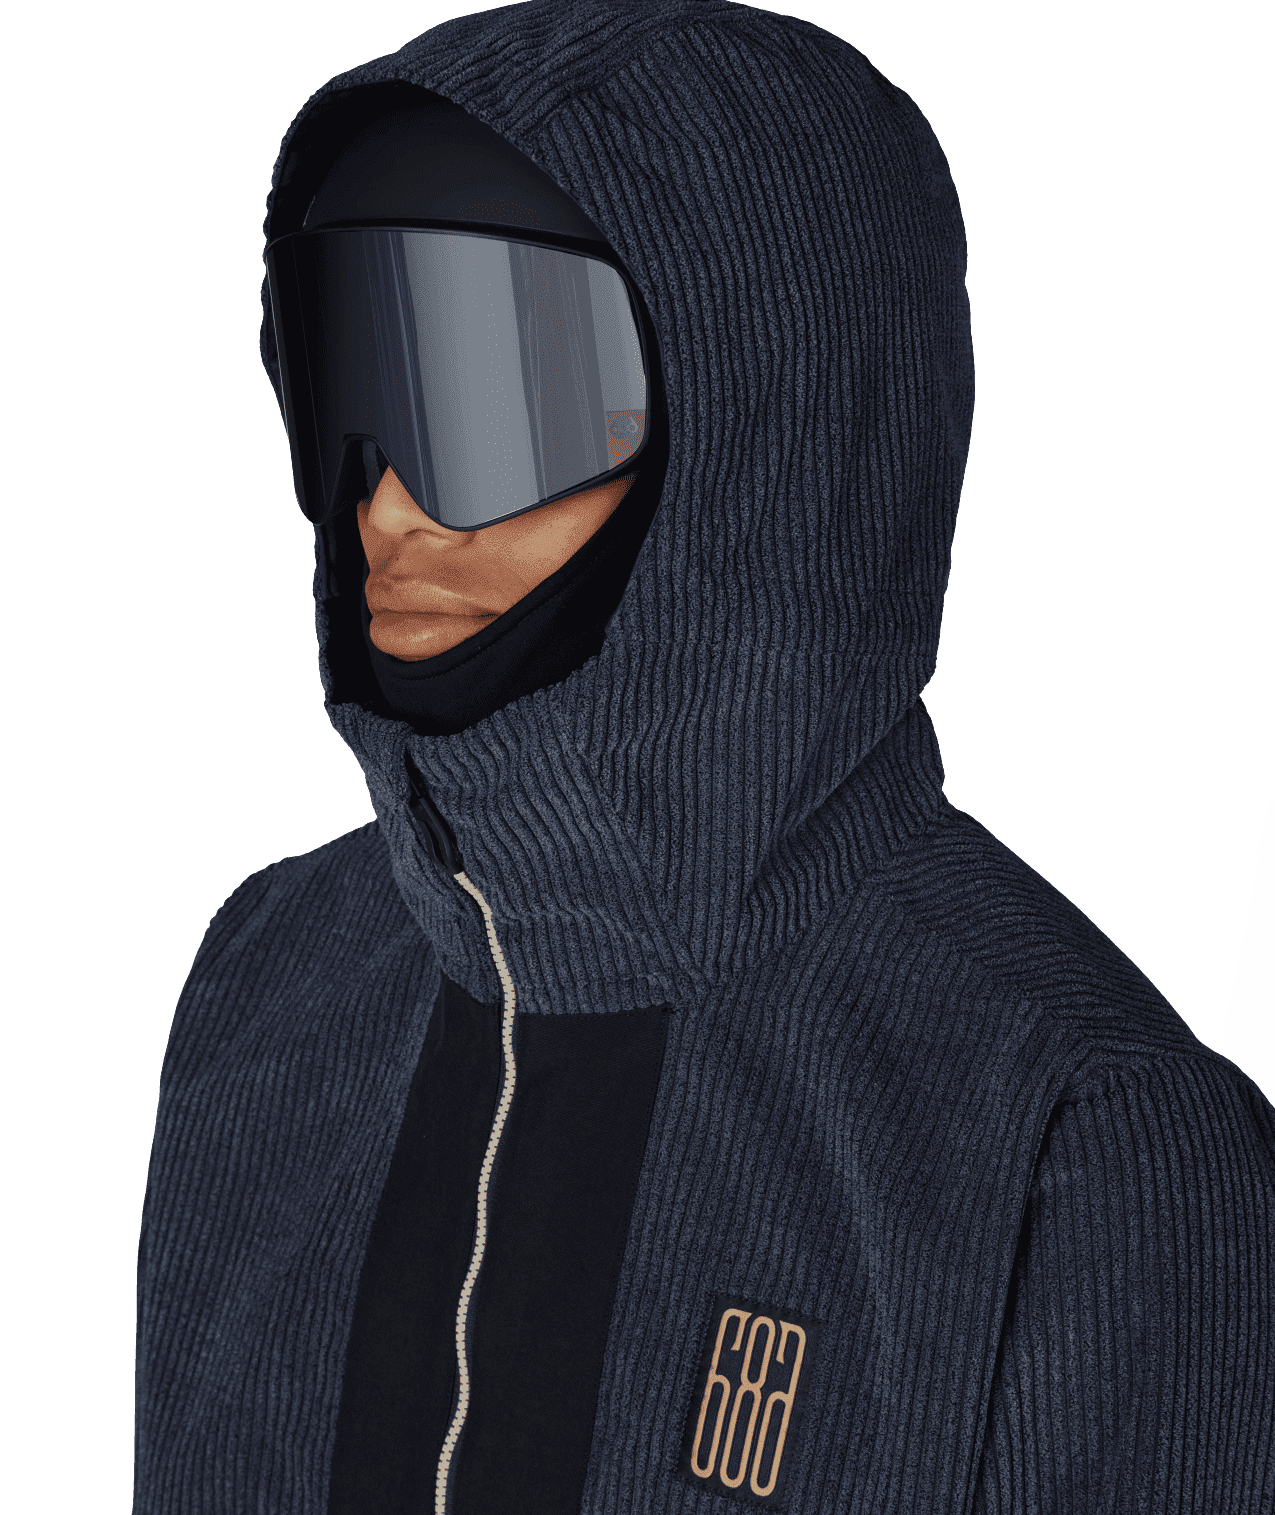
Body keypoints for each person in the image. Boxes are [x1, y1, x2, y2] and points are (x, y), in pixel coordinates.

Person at [133, 4, 1275, 1512]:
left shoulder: (1082, 1133)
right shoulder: (267, 983)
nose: (388, 505)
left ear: (765, 427)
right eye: (362, 375)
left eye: (506, 396)